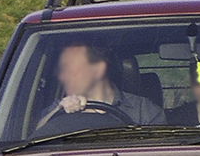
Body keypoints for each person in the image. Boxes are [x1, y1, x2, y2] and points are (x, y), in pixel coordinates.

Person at [38, 41, 166, 129]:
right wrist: (59, 110)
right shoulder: (60, 108)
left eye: (71, 68)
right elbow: (33, 141)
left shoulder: (143, 111)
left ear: (98, 70)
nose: (63, 75)